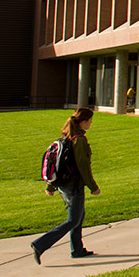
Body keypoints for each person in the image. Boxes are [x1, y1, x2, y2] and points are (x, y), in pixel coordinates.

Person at [31, 108, 101, 264]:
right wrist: (93, 186)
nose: (90, 123)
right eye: (89, 121)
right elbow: (83, 166)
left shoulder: (66, 137)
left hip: (64, 185)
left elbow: (57, 164)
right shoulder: (79, 140)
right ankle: (40, 244)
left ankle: (77, 249)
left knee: (78, 217)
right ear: (83, 122)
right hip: (74, 186)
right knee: (73, 220)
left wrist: (50, 187)